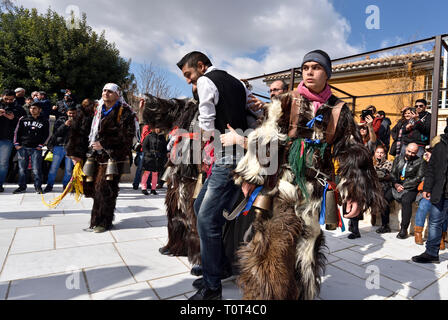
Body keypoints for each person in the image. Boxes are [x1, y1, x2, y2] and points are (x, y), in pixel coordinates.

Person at [232, 50, 384, 299]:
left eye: (316, 67)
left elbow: (352, 152)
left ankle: (299, 293)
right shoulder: (285, 102)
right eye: (305, 67)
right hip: (283, 185)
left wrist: (355, 192)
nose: (309, 71)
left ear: (327, 73)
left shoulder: (339, 110)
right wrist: (251, 178)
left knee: (307, 247)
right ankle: (266, 295)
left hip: (315, 192)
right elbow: (264, 140)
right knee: (274, 244)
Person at [177, 51, 253, 300]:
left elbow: (207, 119)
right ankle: (218, 266)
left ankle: (212, 288)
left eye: (189, 74)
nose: (189, 81)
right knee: (201, 207)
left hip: (227, 155)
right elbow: (250, 113)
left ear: (201, 66)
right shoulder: (238, 83)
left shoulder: (206, 81)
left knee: (207, 219)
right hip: (236, 153)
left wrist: (205, 148)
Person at [66, 83, 136, 233]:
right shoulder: (93, 109)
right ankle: (97, 218)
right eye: (104, 90)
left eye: (110, 91)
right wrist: (75, 152)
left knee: (106, 188)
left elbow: (128, 136)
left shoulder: (125, 112)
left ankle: (103, 221)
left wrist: (104, 143)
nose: (106, 93)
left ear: (117, 94)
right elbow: (78, 130)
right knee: (91, 189)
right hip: (91, 155)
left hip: (112, 156)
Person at [411, 124, 448, 263]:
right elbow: (431, 169)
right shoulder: (440, 146)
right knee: (434, 222)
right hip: (440, 191)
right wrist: (427, 188)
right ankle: (432, 253)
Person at [378, 143, 425, 238]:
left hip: (411, 188)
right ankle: (385, 225)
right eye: (409, 151)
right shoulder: (398, 159)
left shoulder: (420, 162)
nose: (410, 154)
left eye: (413, 153)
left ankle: (404, 229)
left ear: (416, 153)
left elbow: (418, 178)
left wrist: (403, 186)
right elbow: (393, 174)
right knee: (384, 198)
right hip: (397, 185)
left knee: (406, 201)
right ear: (406, 149)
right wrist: (396, 184)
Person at [12, 101, 49, 194]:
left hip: (36, 148)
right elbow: (17, 132)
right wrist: (16, 144)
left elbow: (47, 134)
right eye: (31, 108)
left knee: (36, 169)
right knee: (22, 169)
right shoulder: (23, 119)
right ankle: (22, 187)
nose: (32, 110)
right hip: (23, 147)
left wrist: (41, 145)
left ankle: (38, 187)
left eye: (35, 108)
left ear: (39, 110)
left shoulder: (44, 120)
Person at [44, 105, 78, 193]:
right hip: (59, 146)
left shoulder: (79, 121)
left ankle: (66, 185)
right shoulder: (60, 120)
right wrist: (65, 125)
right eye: (70, 113)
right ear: (67, 113)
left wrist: (74, 126)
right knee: (54, 167)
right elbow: (56, 133)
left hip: (70, 147)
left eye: (74, 113)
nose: (72, 115)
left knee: (68, 168)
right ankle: (49, 185)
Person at [0, 89, 26, 192]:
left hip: (7, 139)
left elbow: (24, 122)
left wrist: (13, 118)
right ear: (2, 96)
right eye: (6, 99)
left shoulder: (18, 108)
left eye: (11, 99)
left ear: (14, 98)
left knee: (3, 163)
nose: (8, 101)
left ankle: (0, 184)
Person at [140, 127, 167, 195]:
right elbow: (144, 146)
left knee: (155, 174)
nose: (158, 130)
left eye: (159, 128)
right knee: (146, 173)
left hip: (158, 158)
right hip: (149, 157)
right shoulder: (149, 136)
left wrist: (162, 155)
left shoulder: (162, 137)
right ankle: (143, 188)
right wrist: (148, 153)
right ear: (154, 128)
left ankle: (153, 189)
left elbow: (164, 148)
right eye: (156, 128)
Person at [372, 144, 393, 227]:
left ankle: (385, 224)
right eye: (377, 152)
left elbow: (388, 176)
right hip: (373, 185)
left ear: (385, 154)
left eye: (381, 153)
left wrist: (382, 176)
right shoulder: (371, 163)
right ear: (374, 153)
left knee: (383, 199)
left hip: (385, 186)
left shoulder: (389, 163)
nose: (379, 154)